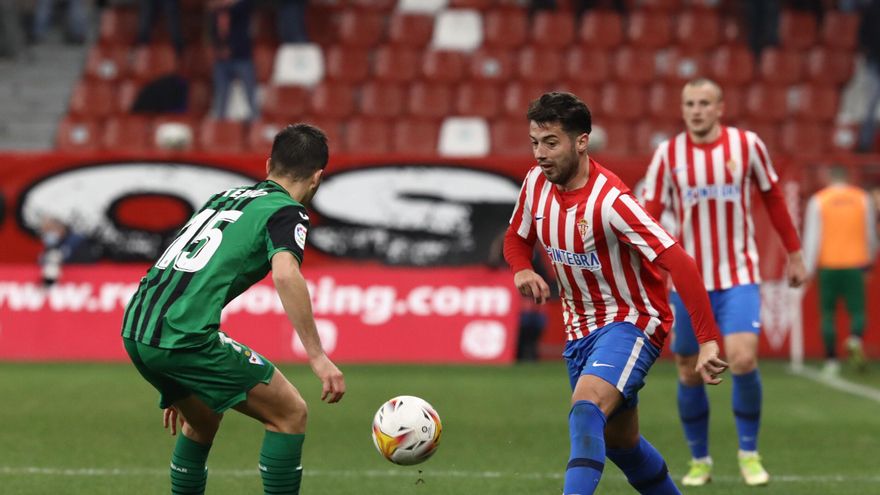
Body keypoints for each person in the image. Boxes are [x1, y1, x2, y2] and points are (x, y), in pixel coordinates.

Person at [505, 92, 728, 495]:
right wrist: (522, 268)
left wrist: (708, 340)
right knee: (621, 445)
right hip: (580, 330)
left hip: (631, 321)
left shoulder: (612, 202)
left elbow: (681, 262)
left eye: (551, 142)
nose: (540, 153)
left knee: (586, 410)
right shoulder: (535, 184)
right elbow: (516, 239)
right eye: (535, 142)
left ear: (581, 141)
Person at [121, 124, 345, 495]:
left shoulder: (224, 197)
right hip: (183, 337)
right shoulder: (287, 212)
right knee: (290, 414)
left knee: (204, 418)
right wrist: (318, 356)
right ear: (318, 177)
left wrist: (169, 365)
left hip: (138, 326)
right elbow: (287, 276)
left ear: (269, 163)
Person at [642, 78, 807, 487]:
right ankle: (700, 460)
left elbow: (773, 197)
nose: (696, 110)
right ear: (682, 110)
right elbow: (647, 215)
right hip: (688, 282)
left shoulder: (747, 145)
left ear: (720, 108)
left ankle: (749, 452)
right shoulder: (668, 154)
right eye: (689, 104)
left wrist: (794, 252)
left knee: (743, 358)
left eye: (703, 103)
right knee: (688, 371)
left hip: (739, 275)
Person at [802, 165, 878, 375]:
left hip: (828, 265)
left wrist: (808, 267)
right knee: (858, 311)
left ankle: (831, 360)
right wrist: (869, 260)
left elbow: (812, 236)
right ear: (848, 178)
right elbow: (870, 233)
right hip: (855, 264)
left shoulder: (819, 200)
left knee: (828, 314)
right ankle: (854, 339)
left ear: (829, 178)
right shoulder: (862, 198)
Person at [210, 0, 258, 121]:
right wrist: (218, 50)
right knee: (221, 97)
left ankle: (256, 125)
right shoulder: (217, 12)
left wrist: (232, 49)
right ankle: (220, 127)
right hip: (221, 60)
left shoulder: (242, 7)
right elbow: (213, 33)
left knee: (250, 95)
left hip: (242, 57)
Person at [37, 216, 100, 286]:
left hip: (85, 280)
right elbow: (42, 261)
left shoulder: (76, 241)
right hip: (65, 283)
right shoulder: (53, 245)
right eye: (44, 231)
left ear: (59, 228)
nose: (46, 234)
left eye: (48, 230)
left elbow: (62, 257)